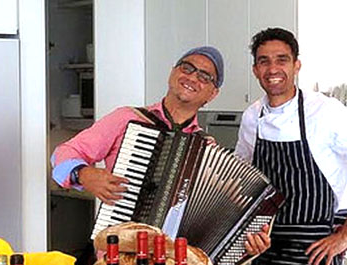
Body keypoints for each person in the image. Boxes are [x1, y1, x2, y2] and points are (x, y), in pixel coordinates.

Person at [236, 28, 347, 265]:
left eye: (281, 59)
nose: (273, 68)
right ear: (255, 70)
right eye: (264, 61)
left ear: (296, 65)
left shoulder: (325, 112)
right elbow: (241, 181)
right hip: (265, 259)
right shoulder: (252, 117)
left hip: (316, 258)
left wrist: (346, 235)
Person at [51, 46, 224, 204]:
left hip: (176, 238)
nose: (193, 77)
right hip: (122, 234)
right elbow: (61, 154)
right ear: (172, 72)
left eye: (204, 76)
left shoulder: (206, 146)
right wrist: (82, 174)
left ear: (213, 94)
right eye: (187, 68)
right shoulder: (125, 118)